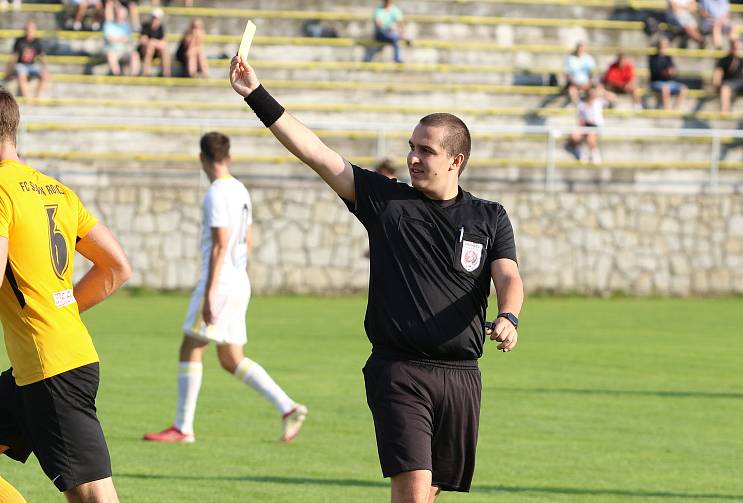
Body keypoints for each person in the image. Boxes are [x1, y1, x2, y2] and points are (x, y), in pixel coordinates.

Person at [230, 56, 524, 502]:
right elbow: (318, 156)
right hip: (399, 368)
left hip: (462, 374)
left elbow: (508, 275)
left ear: (455, 160)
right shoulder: (387, 203)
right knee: (412, 487)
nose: (412, 157)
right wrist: (257, 94)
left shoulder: (489, 216)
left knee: (429, 492)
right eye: (412, 146)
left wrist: (510, 316)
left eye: (426, 150)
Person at [0, 88, 132, 502]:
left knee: (93, 497)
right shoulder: (55, 190)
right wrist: (62, 308)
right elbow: (116, 267)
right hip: (45, 362)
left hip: (50, 369)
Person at [143, 132, 308, 444]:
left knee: (190, 347)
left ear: (202, 159)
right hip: (238, 279)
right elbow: (248, 238)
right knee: (231, 357)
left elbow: (220, 244)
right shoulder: (240, 189)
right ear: (228, 157)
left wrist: (210, 293)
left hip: (219, 283)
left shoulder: (216, 193)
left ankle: (183, 427)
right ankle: (288, 407)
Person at [5, 20, 50, 99]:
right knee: (21, 74)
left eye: (32, 30)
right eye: (28, 29)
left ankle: (37, 98)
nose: (30, 32)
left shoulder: (37, 41)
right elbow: (14, 56)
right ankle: (27, 99)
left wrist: (45, 68)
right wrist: (9, 70)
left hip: (32, 65)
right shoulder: (19, 41)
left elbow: (42, 56)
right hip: (21, 65)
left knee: (45, 76)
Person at [712, 39, 743, 114]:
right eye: (736, 47)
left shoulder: (742, 60)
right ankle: (725, 111)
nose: (738, 49)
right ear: (731, 47)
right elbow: (718, 72)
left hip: (741, 83)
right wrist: (716, 85)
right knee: (725, 89)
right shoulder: (724, 59)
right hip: (728, 83)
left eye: (739, 48)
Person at [569, 84, 607, 164]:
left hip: (596, 126)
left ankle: (596, 155)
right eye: (590, 93)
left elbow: (612, 97)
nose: (592, 95)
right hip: (586, 125)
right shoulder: (582, 104)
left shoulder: (599, 102)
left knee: (590, 138)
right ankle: (581, 154)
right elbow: (580, 119)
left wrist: (602, 91)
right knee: (574, 136)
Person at [648, 38, 688, 110]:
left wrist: (673, 72)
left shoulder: (668, 57)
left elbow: (674, 71)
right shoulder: (653, 58)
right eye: (663, 45)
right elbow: (655, 73)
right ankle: (667, 110)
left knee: (683, 89)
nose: (664, 47)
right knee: (665, 88)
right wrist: (666, 72)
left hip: (668, 82)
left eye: (665, 45)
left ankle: (675, 109)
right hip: (656, 82)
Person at [103, 2, 141, 76]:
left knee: (135, 54)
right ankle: (116, 75)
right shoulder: (109, 24)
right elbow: (109, 39)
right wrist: (121, 39)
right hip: (113, 49)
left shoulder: (126, 25)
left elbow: (128, 39)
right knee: (111, 54)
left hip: (124, 49)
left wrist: (116, 39)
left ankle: (134, 76)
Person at [138, 8, 170, 77]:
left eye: (157, 18)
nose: (155, 20)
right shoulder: (146, 26)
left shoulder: (161, 27)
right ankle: (146, 72)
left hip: (156, 51)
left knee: (164, 50)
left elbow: (164, 43)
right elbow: (142, 40)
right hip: (146, 50)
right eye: (154, 18)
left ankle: (166, 74)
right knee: (150, 48)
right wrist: (153, 43)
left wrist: (153, 42)